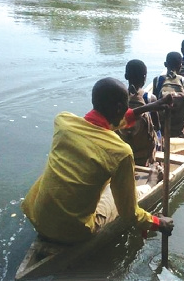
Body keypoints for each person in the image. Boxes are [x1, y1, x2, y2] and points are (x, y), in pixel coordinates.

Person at [21, 77, 174, 244]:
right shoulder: (121, 152)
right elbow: (128, 213)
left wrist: (152, 107)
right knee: (117, 193)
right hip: (74, 231)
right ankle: (150, 185)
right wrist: (158, 223)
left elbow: (104, 123)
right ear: (119, 108)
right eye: (125, 107)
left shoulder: (63, 122)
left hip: (36, 216)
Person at [119, 59, 160, 166]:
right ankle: (154, 156)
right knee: (158, 134)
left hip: (121, 150)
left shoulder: (118, 98)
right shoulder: (150, 98)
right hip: (143, 153)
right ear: (144, 77)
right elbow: (157, 125)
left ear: (126, 76)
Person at [153, 52, 184, 138]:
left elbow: (154, 104)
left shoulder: (157, 80)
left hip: (161, 125)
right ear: (180, 66)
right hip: (178, 125)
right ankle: (182, 131)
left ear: (165, 64)